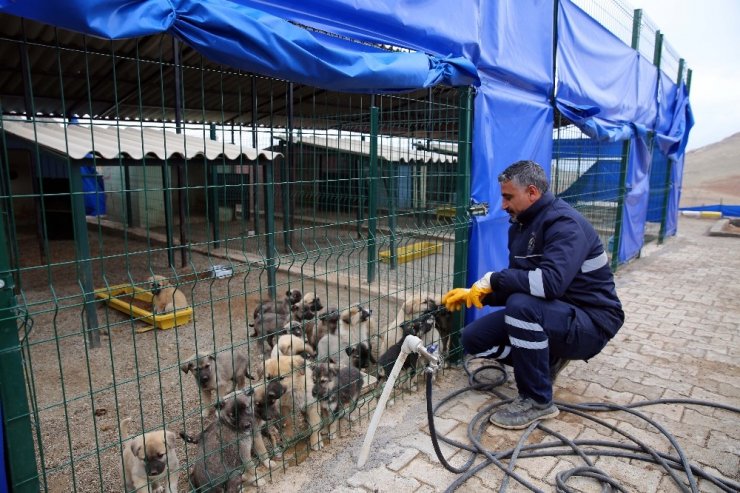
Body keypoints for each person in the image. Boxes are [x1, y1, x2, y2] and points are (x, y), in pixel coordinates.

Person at [442, 160, 624, 429]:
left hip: (592, 323)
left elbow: (549, 285)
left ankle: (537, 400)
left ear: (532, 192)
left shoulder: (565, 224)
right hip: (554, 313)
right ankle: (546, 361)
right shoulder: (520, 226)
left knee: (521, 306)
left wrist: (493, 279)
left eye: (508, 197)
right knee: (473, 338)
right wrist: (478, 294)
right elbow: (521, 283)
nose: (503, 205)